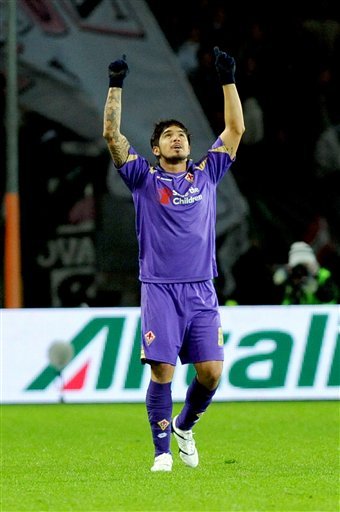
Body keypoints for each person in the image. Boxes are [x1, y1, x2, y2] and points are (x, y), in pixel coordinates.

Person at [103, 47, 245, 472]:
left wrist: (228, 79)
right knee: (162, 370)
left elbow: (236, 128)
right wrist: (115, 83)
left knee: (211, 374)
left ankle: (185, 426)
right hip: (160, 288)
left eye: (181, 134)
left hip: (201, 286)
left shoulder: (207, 174)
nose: (177, 138)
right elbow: (112, 137)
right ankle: (162, 453)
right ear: (155, 147)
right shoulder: (143, 178)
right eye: (168, 136)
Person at [273, 241, 339, 305]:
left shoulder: (324, 275)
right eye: (299, 266)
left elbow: (333, 298)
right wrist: (279, 283)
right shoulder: (289, 278)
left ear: (313, 264)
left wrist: (318, 290)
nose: (301, 271)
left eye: (306, 265)